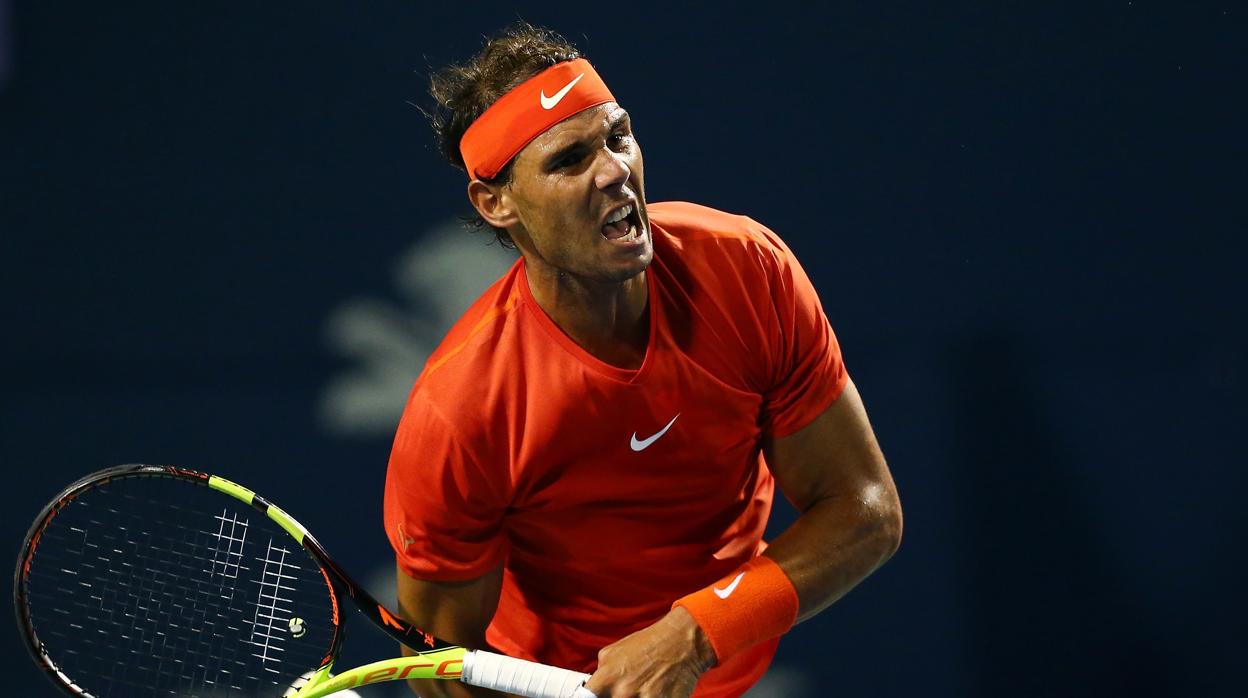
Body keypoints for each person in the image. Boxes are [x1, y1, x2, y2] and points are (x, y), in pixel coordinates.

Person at [383, 22, 902, 698]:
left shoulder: (747, 269)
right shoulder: (461, 411)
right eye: (569, 160)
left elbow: (866, 512)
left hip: (721, 662)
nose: (614, 170)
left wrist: (695, 632)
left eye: (618, 136)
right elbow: (444, 664)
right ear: (496, 202)